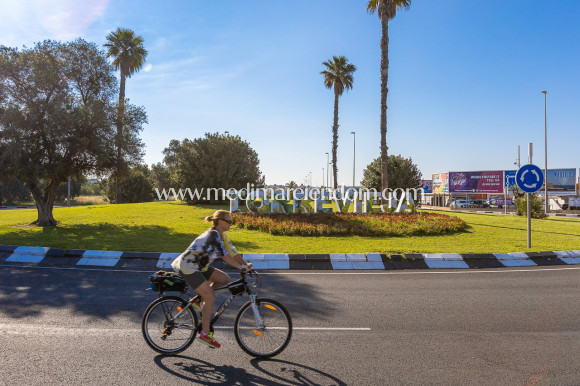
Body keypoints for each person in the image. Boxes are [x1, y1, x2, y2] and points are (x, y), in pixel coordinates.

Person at [171, 209, 249, 349]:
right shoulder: (213, 235)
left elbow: (233, 252)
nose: (231, 223)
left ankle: (198, 299)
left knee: (224, 279)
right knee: (210, 297)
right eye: (229, 221)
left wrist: (246, 265)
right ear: (220, 221)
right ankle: (205, 335)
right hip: (189, 267)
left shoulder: (222, 235)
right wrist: (240, 268)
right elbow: (225, 257)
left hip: (200, 266)